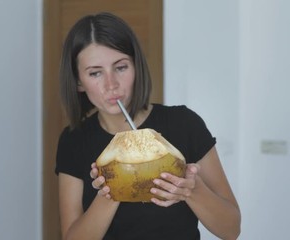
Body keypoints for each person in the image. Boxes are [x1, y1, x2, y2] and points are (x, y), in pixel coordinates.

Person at [55, 12, 241, 240]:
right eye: (95, 73)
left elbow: (231, 229)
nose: (111, 84)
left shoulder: (184, 124)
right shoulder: (74, 141)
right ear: (78, 82)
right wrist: (110, 191)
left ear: (136, 66)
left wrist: (193, 190)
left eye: (121, 67)